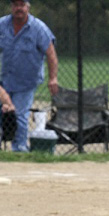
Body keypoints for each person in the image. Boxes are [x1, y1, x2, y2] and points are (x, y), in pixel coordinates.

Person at [0, 0, 58, 152]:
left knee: (19, 114)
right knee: (3, 112)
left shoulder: (38, 28)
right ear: (11, 7)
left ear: (28, 7)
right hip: (6, 79)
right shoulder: (2, 25)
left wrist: (53, 78)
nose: (18, 8)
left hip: (27, 81)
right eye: (15, 5)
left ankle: (19, 147)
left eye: (22, 5)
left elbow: (51, 55)